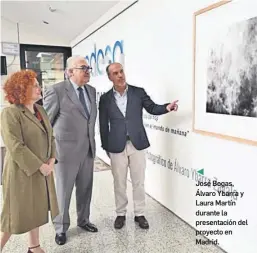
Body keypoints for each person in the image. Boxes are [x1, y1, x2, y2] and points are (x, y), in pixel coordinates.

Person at [99, 63, 178, 230]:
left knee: (139, 181)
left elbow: (152, 108)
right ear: (110, 77)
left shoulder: (138, 92)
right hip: (116, 146)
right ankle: (120, 214)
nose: (120, 75)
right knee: (119, 182)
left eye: (121, 71)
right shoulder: (105, 99)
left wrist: (167, 107)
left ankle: (139, 213)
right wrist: (106, 146)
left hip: (137, 144)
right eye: (115, 73)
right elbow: (102, 125)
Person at [0, 70, 59, 253]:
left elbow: (51, 136)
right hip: (21, 173)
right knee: (14, 215)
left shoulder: (40, 110)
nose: (39, 88)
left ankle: (34, 247)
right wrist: (41, 166)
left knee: (36, 208)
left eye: (38, 84)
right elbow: (15, 146)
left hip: (43, 169)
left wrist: (51, 159)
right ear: (21, 89)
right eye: (34, 85)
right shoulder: (10, 113)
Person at [43, 56, 98, 246]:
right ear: (70, 71)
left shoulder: (91, 91)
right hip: (64, 153)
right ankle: (60, 228)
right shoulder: (56, 91)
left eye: (88, 67)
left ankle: (83, 221)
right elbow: (46, 125)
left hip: (88, 150)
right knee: (63, 192)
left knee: (85, 189)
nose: (88, 70)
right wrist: (48, 153)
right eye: (83, 67)